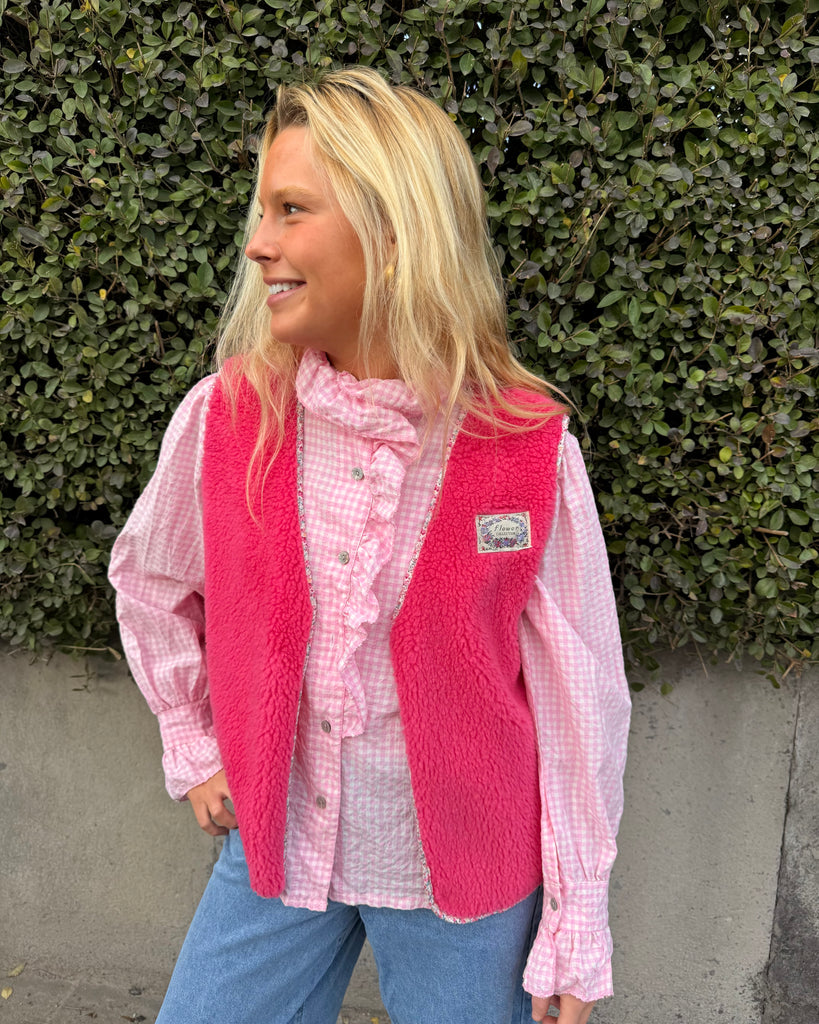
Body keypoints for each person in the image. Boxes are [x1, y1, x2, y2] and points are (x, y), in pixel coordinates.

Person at [109, 66, 631, 1024]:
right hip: (278, 851)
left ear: (394, 232)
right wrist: (193, 742)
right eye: (262, 211)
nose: (257, 242)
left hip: (463, 886)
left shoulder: (523, 450)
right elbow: (150, 580)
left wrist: (576, 920)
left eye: (291, 209)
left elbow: (579, 700)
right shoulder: (231, 418)